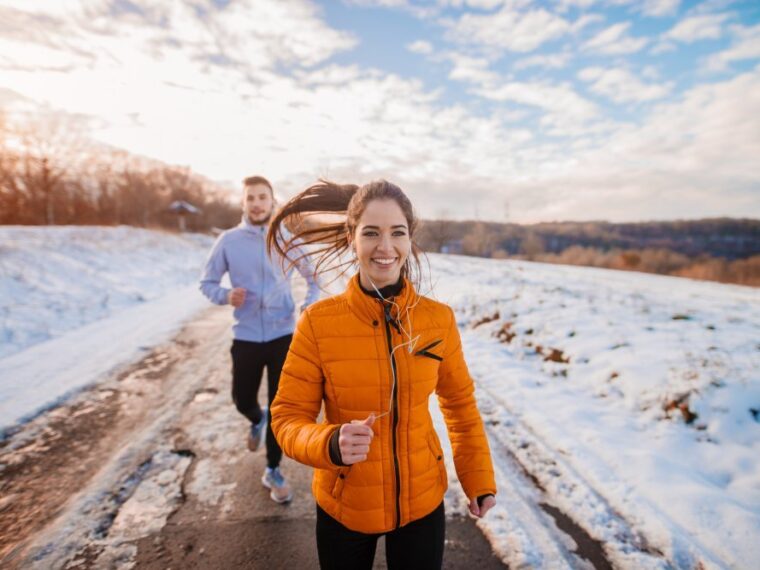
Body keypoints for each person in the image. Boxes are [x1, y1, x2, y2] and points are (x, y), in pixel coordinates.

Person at [268, 180, 496, 568]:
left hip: (422, 502)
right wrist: (330, 443)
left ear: (410, 239)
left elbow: (459, 405)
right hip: (346, 506)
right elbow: (287, 419)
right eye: (371, 232)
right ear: (351, 237)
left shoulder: (437, 320)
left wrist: (478, 478)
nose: (385, 247)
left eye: (397, 233)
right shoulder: (318, 324)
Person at [200, 175, 320, 504]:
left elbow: (315, 279)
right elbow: (207, 283)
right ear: (243, 203)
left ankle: (273, 468)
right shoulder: (228, 241)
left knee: (281, 408)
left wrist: (307, 304)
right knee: (242, 399)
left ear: (272, 201)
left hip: (284, 335)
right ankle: (256, 418)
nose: (256, 203)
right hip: (247, 336)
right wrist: (227, 295)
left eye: (262, 197)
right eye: (250, 197)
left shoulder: (287, 240)